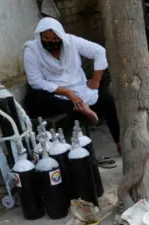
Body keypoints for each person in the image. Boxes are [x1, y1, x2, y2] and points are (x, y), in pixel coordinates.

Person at [23, 17, 121, 153]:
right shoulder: (32, 50)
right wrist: (67, 93)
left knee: (107, 99)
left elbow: (100, 52)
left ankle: (119, 142)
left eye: (55, 39)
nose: (51, 42)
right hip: (56, 94)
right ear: (40, 36)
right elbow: (36, 81)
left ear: (61, 36)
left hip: (81, 88)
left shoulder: (71, 41)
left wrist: (95, 80)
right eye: (47, 38)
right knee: (32, 98)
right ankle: (79, 109)